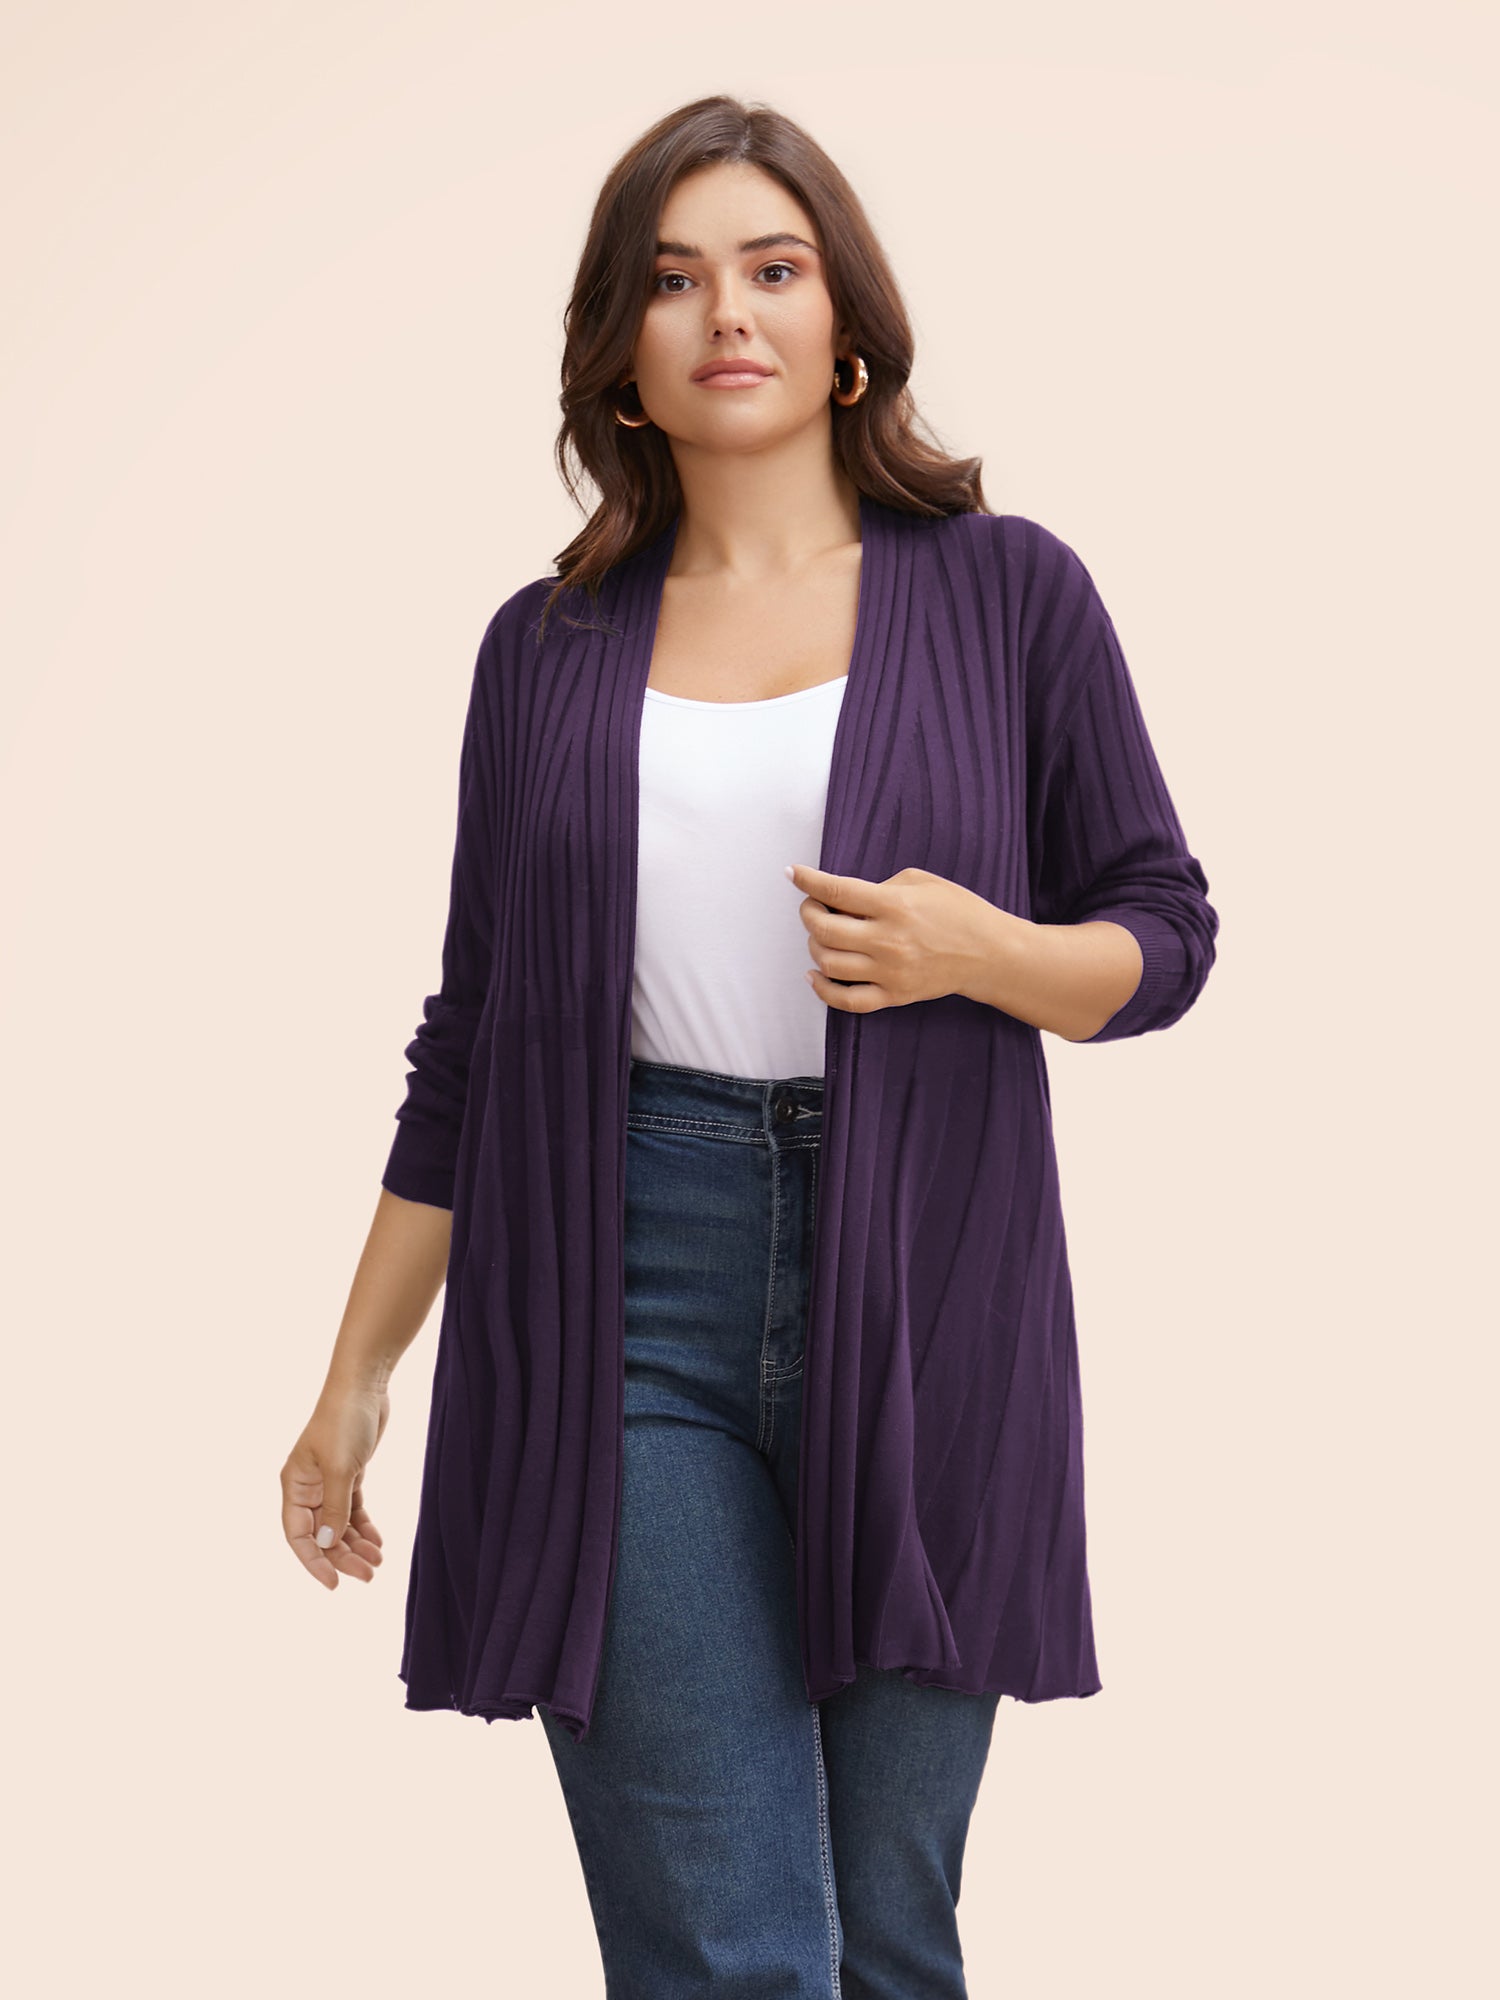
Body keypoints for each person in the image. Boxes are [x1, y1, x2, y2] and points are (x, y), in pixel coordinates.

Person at [281, 94, 1219, 2000]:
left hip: (930, 1292)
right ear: (618, 354)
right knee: (736, 1955)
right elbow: (472, 1035)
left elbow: (1165, 935)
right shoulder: (544, 648)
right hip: (622, 1286)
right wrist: (359, 1376)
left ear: (844, 320)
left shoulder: (1009, 590)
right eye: (673, 279)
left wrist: (983, 951)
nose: (728, 311)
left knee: (890, 1946)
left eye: (773, 269)